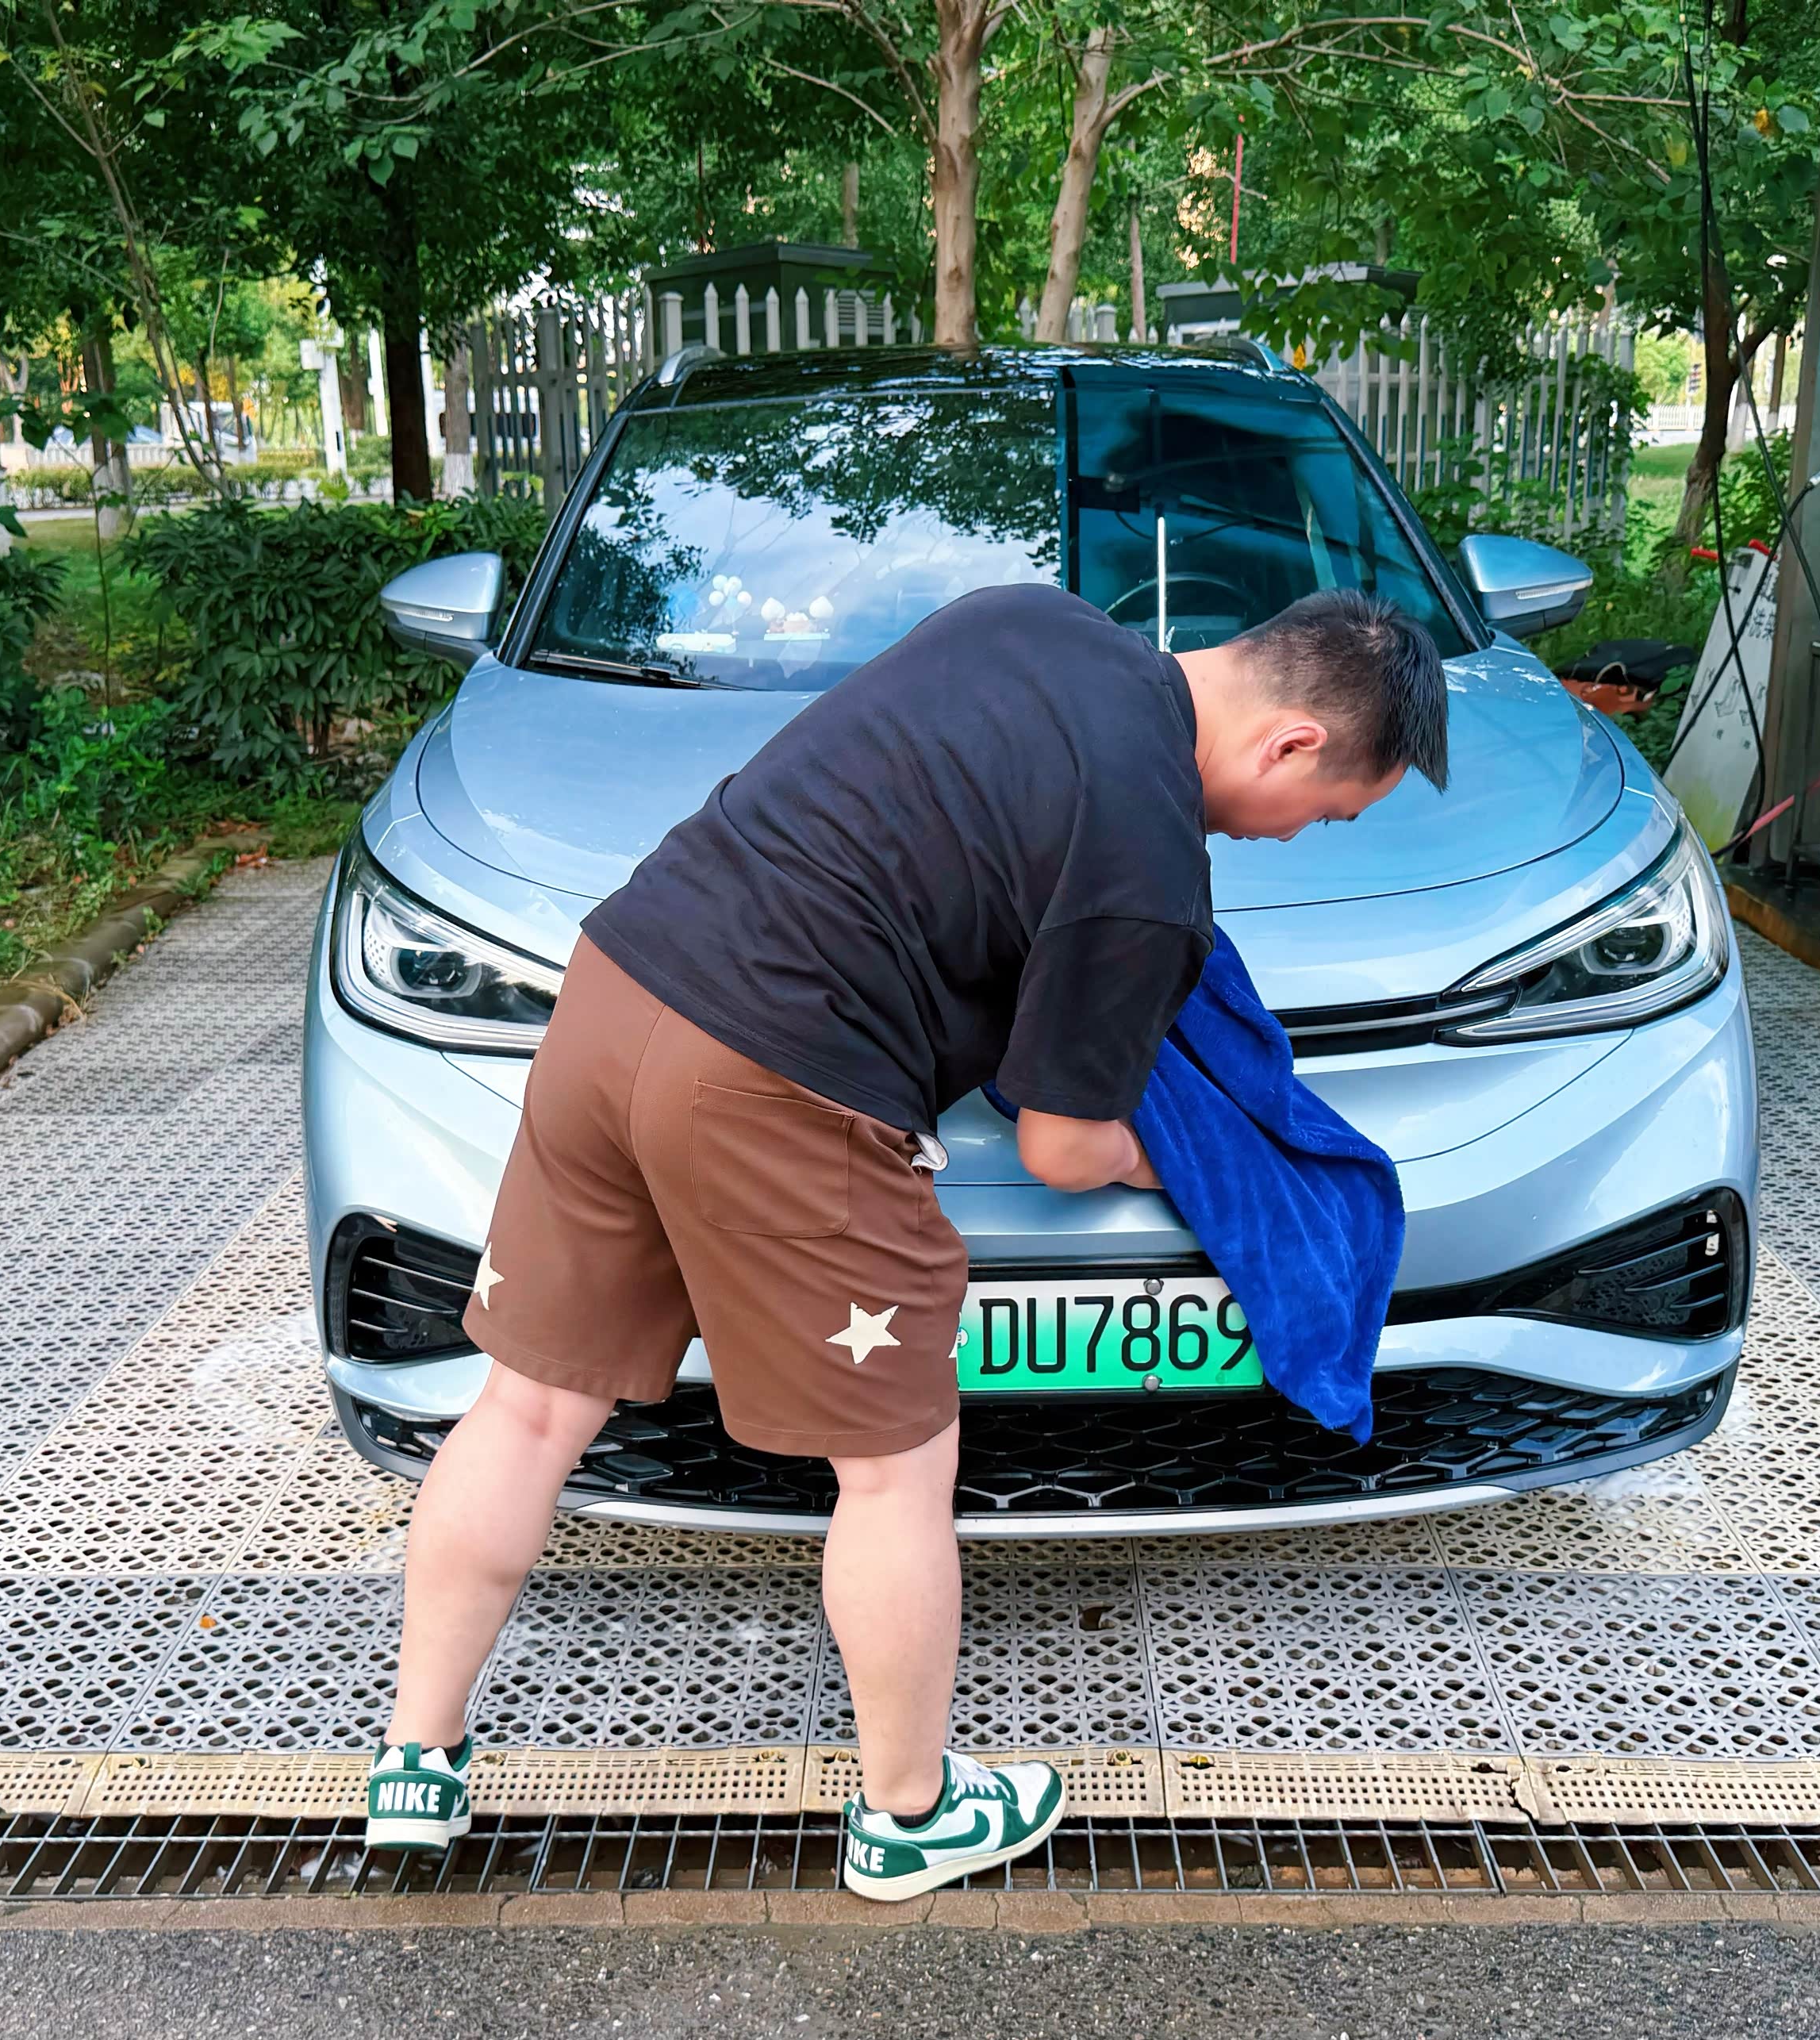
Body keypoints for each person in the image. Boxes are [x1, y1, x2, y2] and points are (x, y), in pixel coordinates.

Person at [366, 580, 1449, 1898]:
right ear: (1294, 742)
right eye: (1325, 813)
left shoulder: (1029, 621)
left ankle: (413, 1764)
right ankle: (909, 1815)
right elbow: (1062, 1148)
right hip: (777, 1078)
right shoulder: (1151, 871)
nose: (1294, 838)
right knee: (893, 1473)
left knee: (531, 1407)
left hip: (619, 990)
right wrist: (1193, 1155)